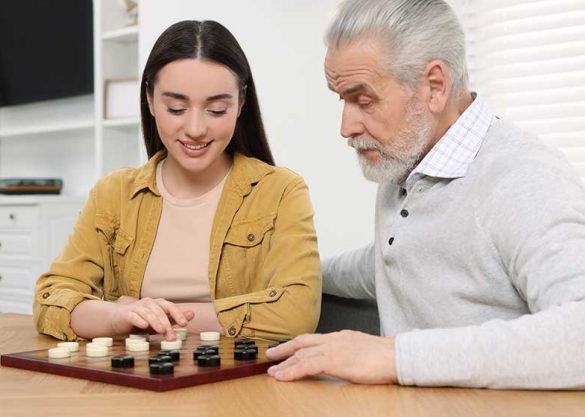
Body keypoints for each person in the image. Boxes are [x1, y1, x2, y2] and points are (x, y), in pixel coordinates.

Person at [266, 0, 585, 389]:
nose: (346, 126)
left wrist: (392, 356)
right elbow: (399, 256)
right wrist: (297, 276)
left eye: (363, 100)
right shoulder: (406, 161)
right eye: (342, 100)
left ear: (434, 86)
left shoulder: (522, 177)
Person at [33, 20, 321, 342]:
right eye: (176, 108)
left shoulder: (280, 192)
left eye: (216, 109)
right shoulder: (113, 195)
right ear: (150, 100)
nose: (195, 128)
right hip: (134, 382)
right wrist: (117, 316)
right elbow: (52, 300)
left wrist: (152, 316)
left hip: (238, 387)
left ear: (241, 103)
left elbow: (297, 312)